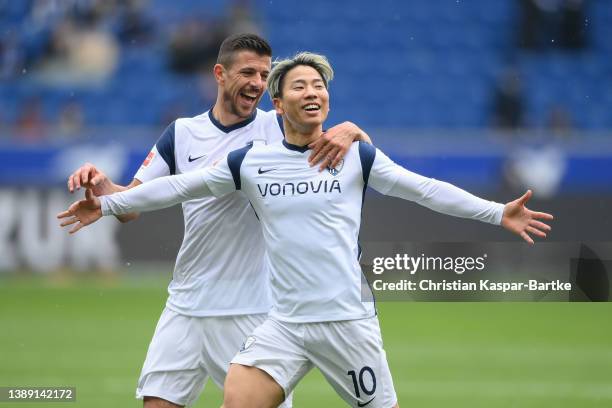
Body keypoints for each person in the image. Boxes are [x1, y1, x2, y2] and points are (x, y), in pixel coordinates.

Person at [59, 52, 554, 407]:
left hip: (347, 321)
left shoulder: (354, 154)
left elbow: (423, 189)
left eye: (319, 87)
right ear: (278, 102)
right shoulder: (249, 161)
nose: (312, 92)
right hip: (285, 324)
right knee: (239, 397)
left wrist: (497, 213)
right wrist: (107, 205)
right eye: (300, 86)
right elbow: (176, 189)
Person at [65, 35, 370, 408]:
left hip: (253, 310)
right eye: (248, 72)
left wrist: (353, 128)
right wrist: (104, 188)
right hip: (185, 307)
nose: (258, 82)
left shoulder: (278, 127)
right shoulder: (181, 133)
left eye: (264, 73)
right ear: (220, 74)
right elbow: (131, 205)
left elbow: (347, 149)